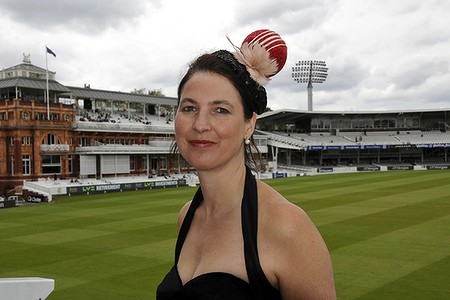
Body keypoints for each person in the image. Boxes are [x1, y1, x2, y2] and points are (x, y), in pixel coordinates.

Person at [157, 29, 336, 299]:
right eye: (189, 108)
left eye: (221, 110)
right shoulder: (187, 216)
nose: (200, 125)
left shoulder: (288, 228)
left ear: (249, 124)